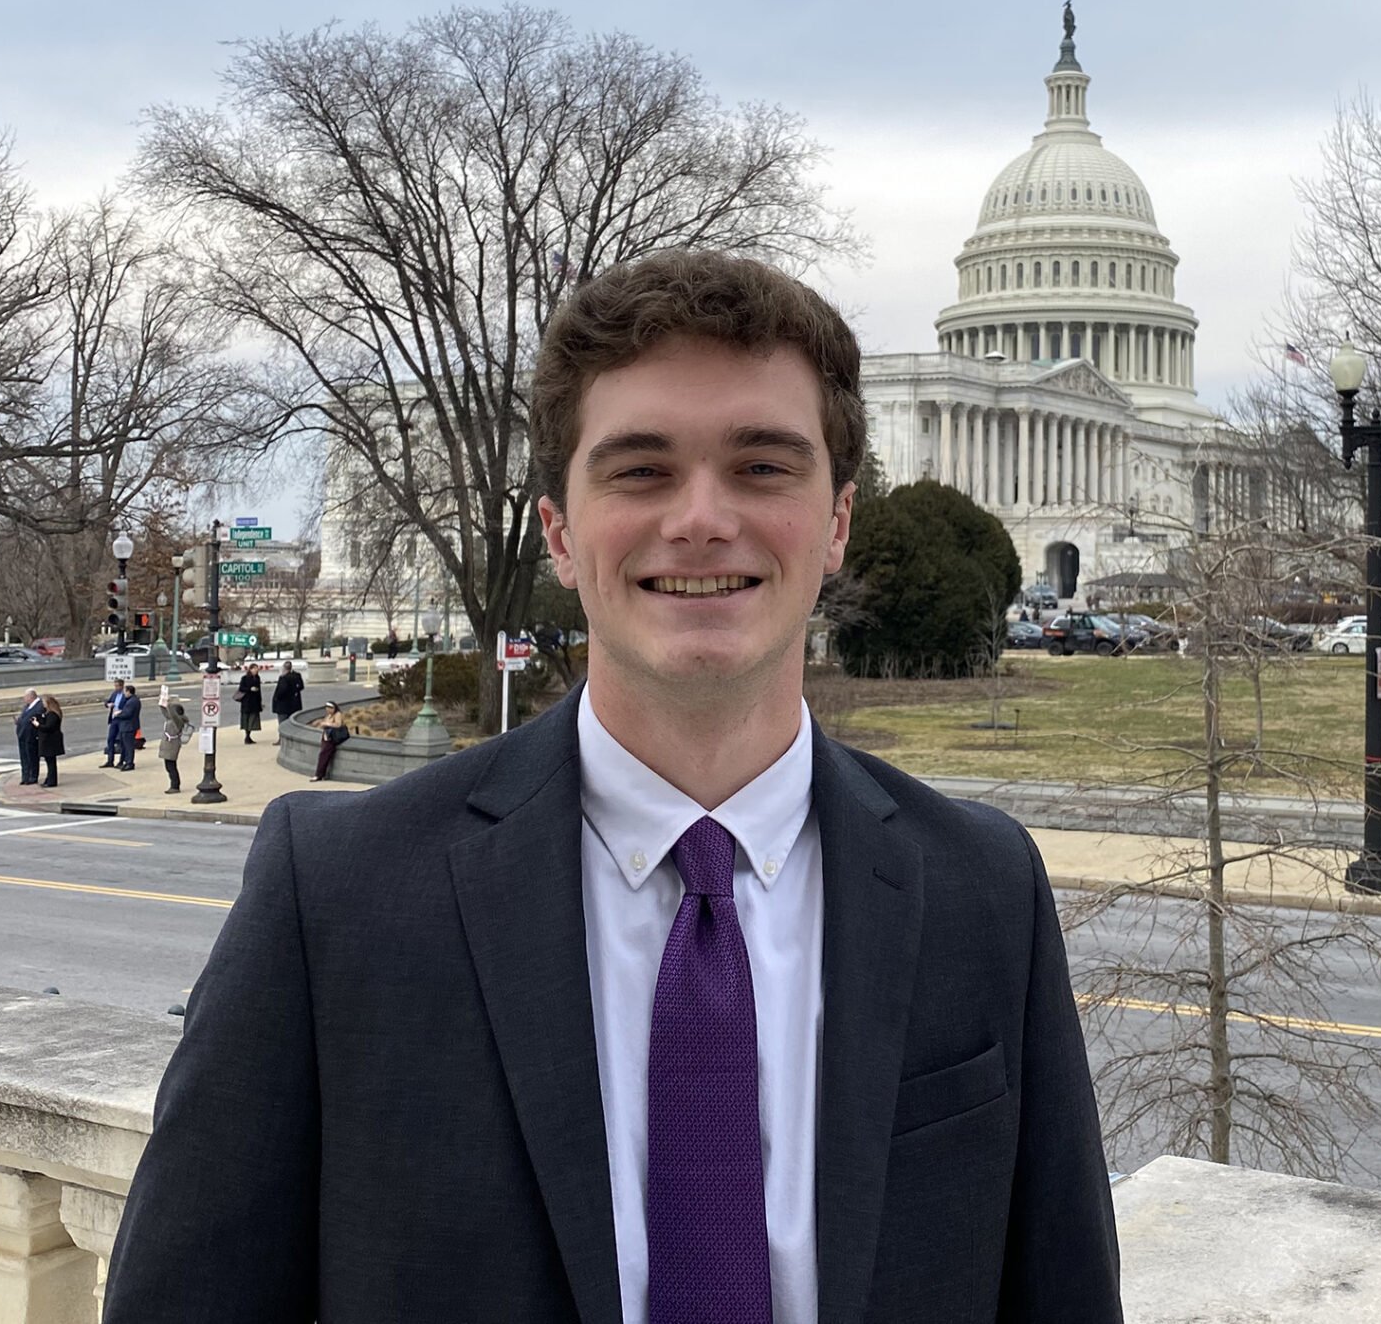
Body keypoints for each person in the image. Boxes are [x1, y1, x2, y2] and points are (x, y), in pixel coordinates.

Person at [108, 251, 1121, 1322]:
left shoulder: (981, 890)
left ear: (836, 525)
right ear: (557, 529)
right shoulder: (338, 895)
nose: (700, 519)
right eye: (640, 470)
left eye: (763, 467)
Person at [158, 692, 190, 794]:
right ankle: (174, 784)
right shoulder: (171, 720)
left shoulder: (178, 721)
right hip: (168, 744)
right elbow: (166, 713)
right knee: (169, 766)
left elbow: (171, 713)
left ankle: (175, 785)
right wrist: (162, 703)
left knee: (171, 766)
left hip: (172, 745)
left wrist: (169, 703)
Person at [14, 688, 44, 786]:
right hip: (23, 735)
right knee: (24, 757)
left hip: (31, 736)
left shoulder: (39, 706)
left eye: (26, 696)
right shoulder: (28, 706)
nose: (24, 698)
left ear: (31, 696)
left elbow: (36, 719)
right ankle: (25, 776)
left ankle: (33, 776)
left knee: (32, 757)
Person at [33, 698, 65, 788]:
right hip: (50, 740)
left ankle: (52, 781)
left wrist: (38, 725)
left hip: (50, 741)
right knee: (50, 761)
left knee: (51, 762)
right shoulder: (50, 714)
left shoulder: (52, 714)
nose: (43, 705)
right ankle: (49, 779)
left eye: (44, 703)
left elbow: (49, 727)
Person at [311, 704, 347, 782]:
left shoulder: (337, 714)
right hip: (325, 737)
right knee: (323, 755)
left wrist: (327, 724)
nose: (328, 710)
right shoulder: (328, 715)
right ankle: (320, 774)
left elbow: (338, 724)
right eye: (327, 708)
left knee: (323, 755)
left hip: (331, 738)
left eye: (330, 708)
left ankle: (319, 775)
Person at [114, 680, 144, 772]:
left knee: (128, 746)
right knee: (125, 745)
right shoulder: (133, 700)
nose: (124, 694)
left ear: (128, 692)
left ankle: (129, 763)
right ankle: (126, 762)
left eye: (125, 692)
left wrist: (118, 714)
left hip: (128, 727)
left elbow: (127, 714)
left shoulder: (132, 702)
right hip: (128, 726)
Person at [236, 663, 264, 744]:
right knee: (246, 719)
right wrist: (250, 689)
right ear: (250, 669)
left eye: (257, 669)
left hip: (255, 702)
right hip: (247, 702)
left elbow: (259, 691)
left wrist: (260, 701)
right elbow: (241, 688)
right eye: (254, 668)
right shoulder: (245, 678)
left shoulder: (257, 678)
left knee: (252, 719)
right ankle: (247, 736)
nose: (256, 670)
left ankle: (248, 735)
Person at [271, 660, 305, 725]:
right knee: (293, 723)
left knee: (283, 723)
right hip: (295, 704)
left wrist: (276, 698)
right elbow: (301, 686)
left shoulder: (283, 678)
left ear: (283, 668)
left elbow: (281, 691)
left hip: (283, 705)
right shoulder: (297, 676)